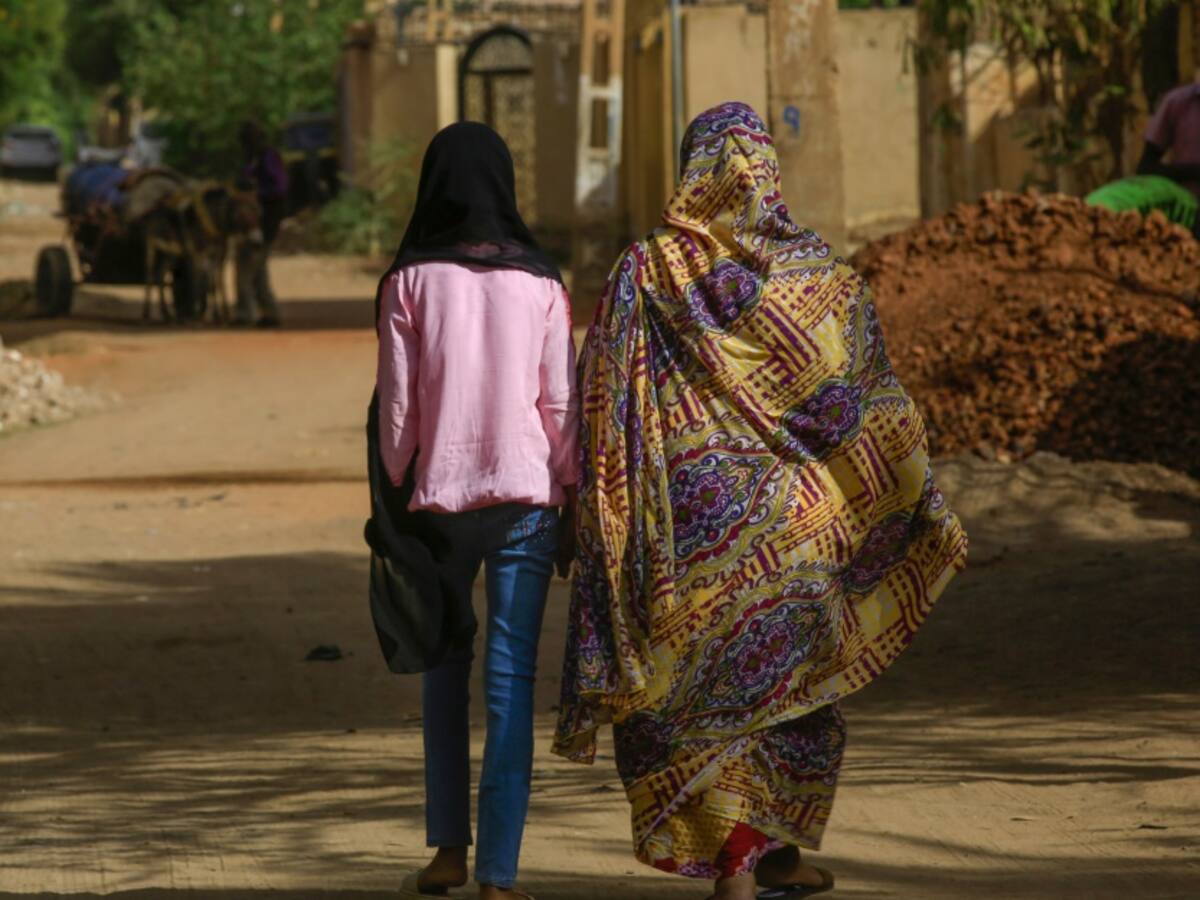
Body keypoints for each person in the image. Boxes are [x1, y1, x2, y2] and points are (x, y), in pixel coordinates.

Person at [554, 103, 968, 900]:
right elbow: (864, 401)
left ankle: (757, 865)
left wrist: (592, 517)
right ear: (768, 172)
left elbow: (599, 397)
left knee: (695, 700)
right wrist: (918, 493)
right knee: (791, 694)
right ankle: (755, 864)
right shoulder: (822, 278)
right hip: (801, 533)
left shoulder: (644, 271)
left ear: (690, 170)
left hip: (683, 541)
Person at [374, 122, 578, 900]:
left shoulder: (409, 281)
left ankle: (448, 854)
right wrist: (568, 497)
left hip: (441, 504)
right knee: (510, 684)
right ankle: (500, 875)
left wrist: (400, 486)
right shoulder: (544, 283)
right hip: (527, 501)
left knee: (442, 671)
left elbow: (399, 416)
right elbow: (559, 405)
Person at [235, 120, 287, 327]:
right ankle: (270, 313)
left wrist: (258, 194)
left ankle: (246, 314)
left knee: (246, 271)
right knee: (258, 269)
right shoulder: (254, 159)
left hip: (265, 221)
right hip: (254, 222)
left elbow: (280, 186)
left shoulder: (267, 157)